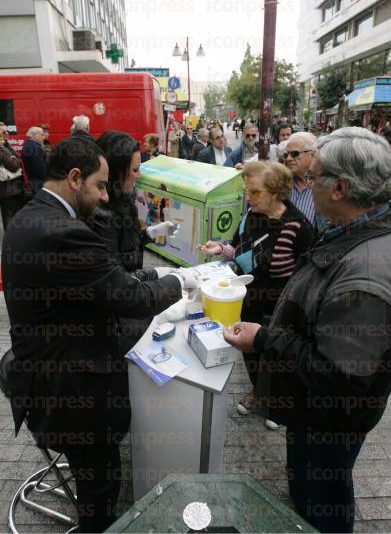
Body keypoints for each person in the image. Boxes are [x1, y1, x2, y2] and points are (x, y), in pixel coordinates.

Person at [2, 136, 200, 533]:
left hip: (44, 369)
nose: (105, 197)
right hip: (71, 391)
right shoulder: (63, 232)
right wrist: (179, 281)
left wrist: (152, 275)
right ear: (75, 178)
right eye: (99, 185)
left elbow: (97, 281)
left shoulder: (33, 214)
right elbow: (127, 298)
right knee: (101, 487)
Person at [223, 127, 391, 533]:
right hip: (320, 414)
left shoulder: (366, 274)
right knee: (312, 486)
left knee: (322, 499)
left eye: (313, 175)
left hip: (330, 420)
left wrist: (265, 338)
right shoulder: (362, 231)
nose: (304, 184)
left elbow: (340, 376)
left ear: (338, 187)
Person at [198, 161, 314, 429]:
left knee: (275, 356)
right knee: (250, 352)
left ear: (277, 192)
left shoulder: (299, 227)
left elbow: (308, 276)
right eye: (247, 191)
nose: (248, 198)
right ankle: (258, 393)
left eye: (255, 192)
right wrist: (222, 249)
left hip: (281, 308)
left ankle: (276, 402)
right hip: (249, 299)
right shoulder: (252, 215)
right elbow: (242, 252)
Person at [90, 130, 178, 351]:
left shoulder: (122, 199)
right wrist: (167, 280)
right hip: (117, 321)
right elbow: (116, 282)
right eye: (135, 170)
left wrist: (153, 232)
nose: (139, 175)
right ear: (116, 170)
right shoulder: (100, 216)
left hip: (130, 306)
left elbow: (128, 244)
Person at [284, 132, 318, 227]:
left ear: (313, 154)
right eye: (286, 155)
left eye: (295, 154)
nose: (289, 159)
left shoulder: (325, 184)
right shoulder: (281, 183)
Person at [0, 127, 24, 228]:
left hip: (15, 188)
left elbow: (18, 160)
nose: (7, 133)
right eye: (4, 132)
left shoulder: (7, 145)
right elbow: (14, 166)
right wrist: (15, 160)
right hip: (6, 191)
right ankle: (9, 241)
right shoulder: (1, 149)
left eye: (7, 131)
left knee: (16, 215)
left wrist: (15, 159)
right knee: (9, 216)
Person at [21, 126, 46, 195]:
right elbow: (39, 167)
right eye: (42, 134)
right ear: (35, 134)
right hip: (37, 180)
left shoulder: (28, 144)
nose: (44, 137)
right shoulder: (34, 147)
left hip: (32, 179)